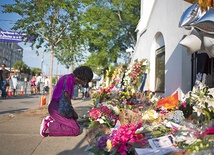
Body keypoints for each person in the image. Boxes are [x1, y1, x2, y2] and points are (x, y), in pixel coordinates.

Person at [40, 66, 93, 137]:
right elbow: (66, 95)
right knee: (75, 130)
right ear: (83, 77)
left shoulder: (69, 78)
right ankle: (49, 125)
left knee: (75, 124)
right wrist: (73, 112)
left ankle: (53, 121)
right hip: (56, 107)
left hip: (58, 107)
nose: (84, 83)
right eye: (85, 81)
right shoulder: (69, 79)